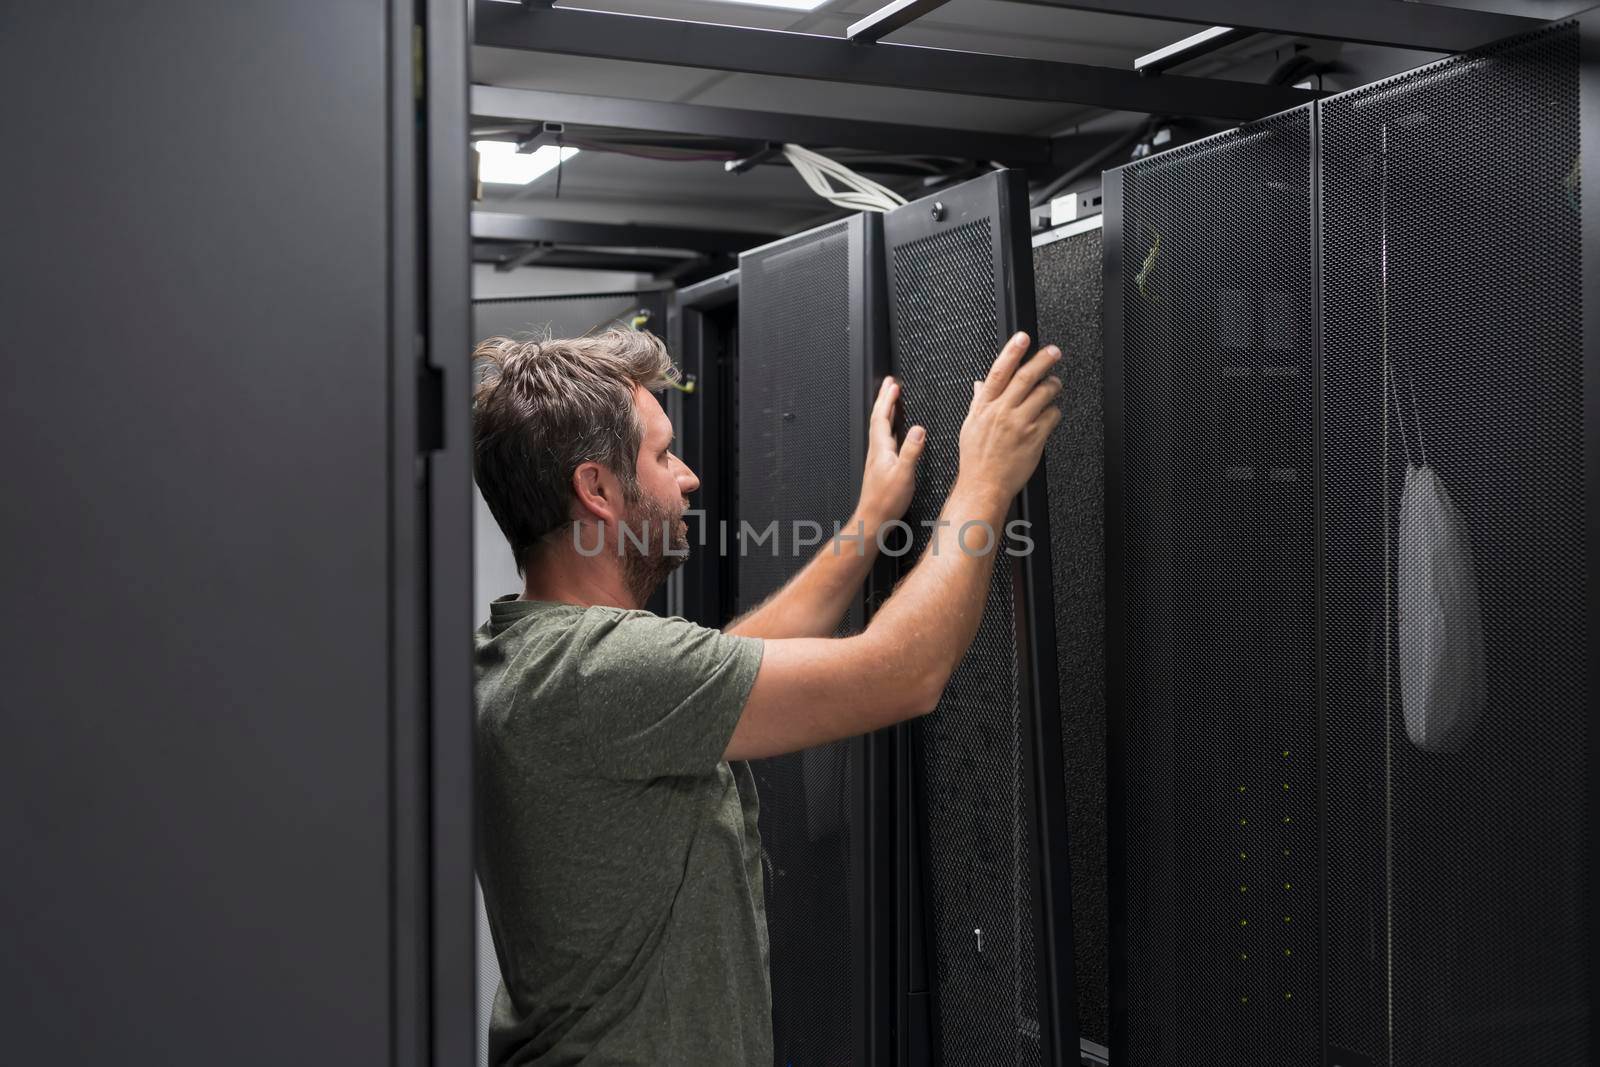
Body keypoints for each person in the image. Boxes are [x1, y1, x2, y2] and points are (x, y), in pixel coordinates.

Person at [472, 327, 1062, 1067]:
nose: (687, 477)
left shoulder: (530, 656)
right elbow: (902, 673)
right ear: (596, 489)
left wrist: (869, 523)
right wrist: (983, 484)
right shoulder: (593, 669)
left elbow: (734, 666)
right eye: (660, 454)